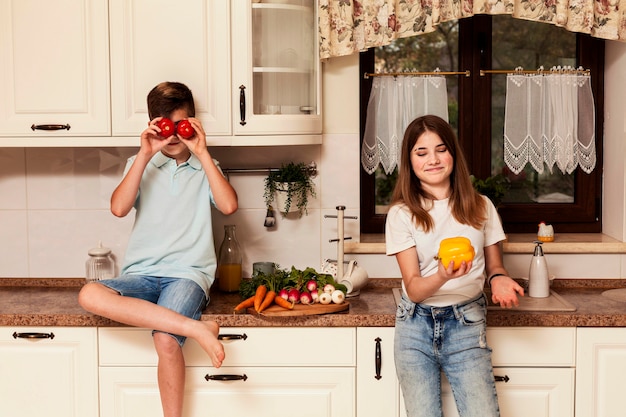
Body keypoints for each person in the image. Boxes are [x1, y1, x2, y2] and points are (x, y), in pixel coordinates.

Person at [78, 81, 238, 417]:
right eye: (165, 127)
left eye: (180, 126)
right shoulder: (142, 162)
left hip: (187, 275)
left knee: (165, 339)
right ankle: (195, 328)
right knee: (89, 294)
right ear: (153, 124)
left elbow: (228, 206)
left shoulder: (205, 166)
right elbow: (119, 208)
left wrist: (203, 153)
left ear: (191, 123)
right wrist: (145, 154)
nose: (173, 137)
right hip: (141, 275)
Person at [385, 115, 523, 417]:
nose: (433, 159)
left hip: (466, 323)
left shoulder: (481, 205)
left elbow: (495, 267)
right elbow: (415, 289)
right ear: (410, 161)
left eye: (441, 149)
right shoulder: (401, 214)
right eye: (421, 153)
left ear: (453, 154)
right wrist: (443, 275)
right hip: (415, 327)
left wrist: (499, 279)